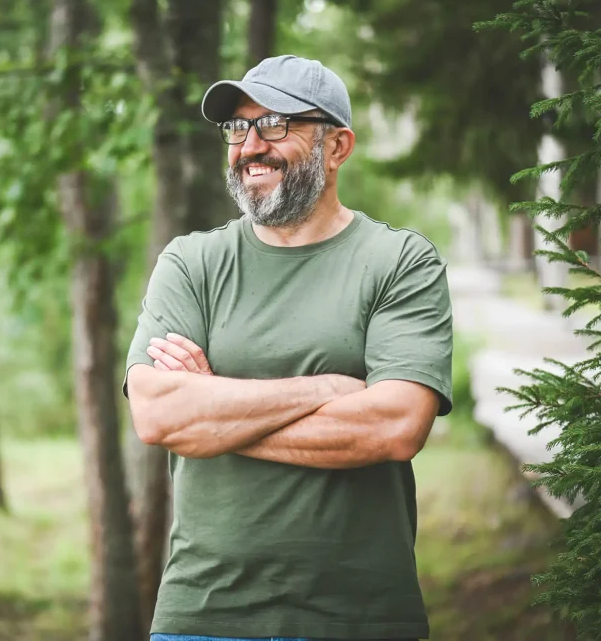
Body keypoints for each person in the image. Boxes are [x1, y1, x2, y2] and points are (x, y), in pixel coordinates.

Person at [123, 55, 454, 641]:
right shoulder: (191, 263)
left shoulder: (400, 261)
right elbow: (157, 414)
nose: (250, 145)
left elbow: (396, 426)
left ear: (337, 146)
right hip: (205, 614)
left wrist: (214, 415)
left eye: (274, 123)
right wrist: (327, 390)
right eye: (236, 128)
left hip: (362, 615)